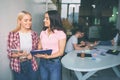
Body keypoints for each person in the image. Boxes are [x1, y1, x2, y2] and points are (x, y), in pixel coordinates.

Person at [35, 10, 66, 80]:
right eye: (44, 18)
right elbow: (39, 46)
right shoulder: (43, 32)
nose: (44, 20)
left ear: (53, 19)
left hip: (54, 63)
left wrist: (48, 57)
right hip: (42, 62)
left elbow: (61, 52)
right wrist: (38, 52)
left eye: (46, 18)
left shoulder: (61, 33)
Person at [7, 11, 39, 80]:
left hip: (31, 64)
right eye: (25, 20)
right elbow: (10, 54)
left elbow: (36, 50)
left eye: (30, 20)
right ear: (19, 21)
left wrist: (32, 55)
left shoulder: (34, 34)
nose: (29, 22)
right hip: (17, 65)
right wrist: (20, 54)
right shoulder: (12, 34)